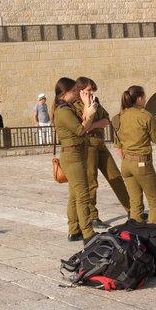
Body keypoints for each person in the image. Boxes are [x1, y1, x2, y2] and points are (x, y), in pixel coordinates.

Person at [74, 77, 131, 229]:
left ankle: (131, 209)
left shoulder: (95, 102)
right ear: (80, 91)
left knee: (115, 176)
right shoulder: (75, 106)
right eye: (88, 90)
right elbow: (81, 127)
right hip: (87, 146)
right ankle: (93, 216)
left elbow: (106, 120)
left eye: (92, 90)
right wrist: (89, 120)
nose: (91, 93)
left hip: (99, 143)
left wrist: (92, 125)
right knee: (91, 181)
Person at [113, 85, 156, 225]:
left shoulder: (118, 117)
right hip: (142, 164)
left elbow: (118, 145)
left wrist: (126, 159)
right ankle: (153, 234)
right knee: (154, 202)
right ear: (140, 98)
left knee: (135, 204)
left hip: (126, 164)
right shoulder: (146, 116)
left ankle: (136, 235)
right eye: (145, 97)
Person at [51, 77, 97, 243]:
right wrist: (89, 112)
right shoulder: (63, 111)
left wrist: (87, 109)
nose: (75, 94)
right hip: (72, 157)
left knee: (74, 195)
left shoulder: (67, 108)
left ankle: (74, 230)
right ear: (64, 93)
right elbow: (80, 130)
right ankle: (88, 233)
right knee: (83, 195)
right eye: (73, 91)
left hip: (77, 154)